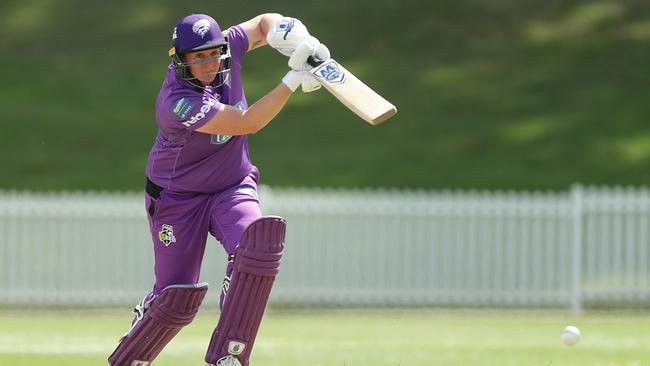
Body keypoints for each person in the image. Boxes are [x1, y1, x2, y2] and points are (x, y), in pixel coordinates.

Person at [108, 13, 330, 366]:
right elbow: (247, 123)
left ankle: (229, 353)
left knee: (256, 245)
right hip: (177, 199)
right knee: (175, 297)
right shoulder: (178, 102)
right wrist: (294, 78)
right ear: (180, 59)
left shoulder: (224, 47)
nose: (209, 63)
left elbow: (262, 24)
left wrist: (292, 35)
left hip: (231, 185)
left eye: (213, 54)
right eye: (198, 58)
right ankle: (138, 336)